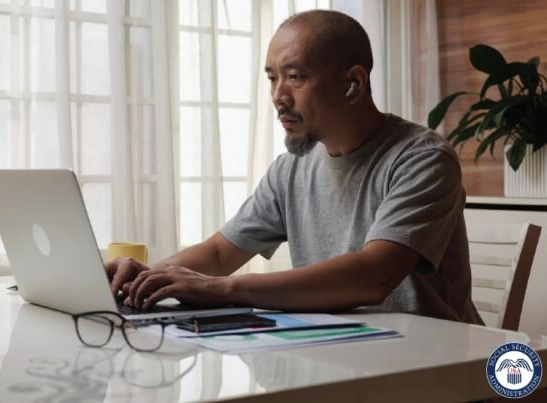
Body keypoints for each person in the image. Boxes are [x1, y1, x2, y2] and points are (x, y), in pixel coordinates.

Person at [106, 10, 482, 324]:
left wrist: (224, 289)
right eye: (272, 78)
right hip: (341, 351)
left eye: (295, 77)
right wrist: (147, 278)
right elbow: (220, 254)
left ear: (353, 84)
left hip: (433, 365)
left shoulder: (423, 158)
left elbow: (373, 276)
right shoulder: (290, 170)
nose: (277, 97)